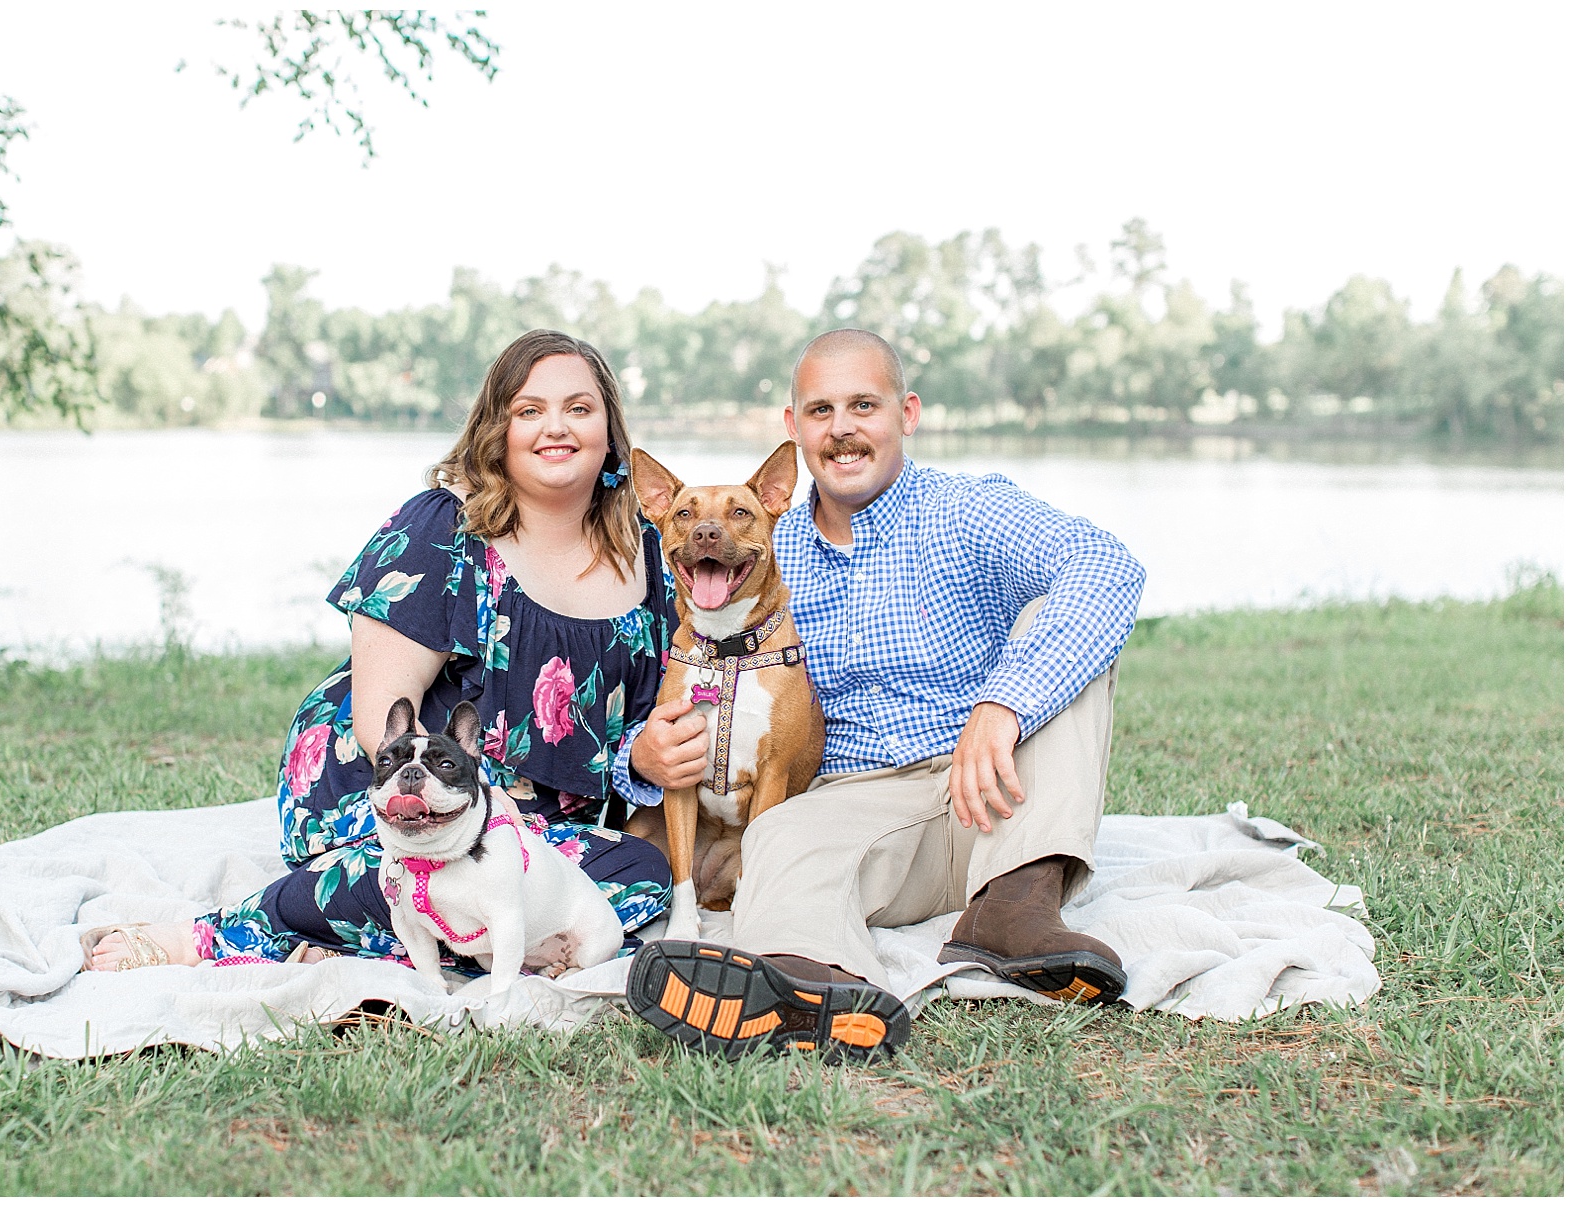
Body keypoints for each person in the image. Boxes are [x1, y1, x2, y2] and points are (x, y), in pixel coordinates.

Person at [618, 328, 1145, 1061]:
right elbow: (677, 680)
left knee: (1063, 628)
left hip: (995, 788)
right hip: (861, 808)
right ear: (794, 428)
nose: (841, 428)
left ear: (907, 413)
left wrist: (1004, 704)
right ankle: (808, 983)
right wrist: (641, 755)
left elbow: (1108, 566)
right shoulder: (755, 548)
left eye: (863, 404)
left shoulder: (968, 510)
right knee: (779, 836)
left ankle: (1017, 908)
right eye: (821, 409)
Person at [85, 330, 676, 972]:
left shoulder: (649, 554)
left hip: (536, 835)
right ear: (496, 432)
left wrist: (644, 758)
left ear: (610, 431)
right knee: (423, 869)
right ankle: (221, 936)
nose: (556, 427)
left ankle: (413, 941)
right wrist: (459, 819)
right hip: (408, 787)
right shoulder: (445, 531)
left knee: (643, 873)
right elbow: (381, 719)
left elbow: (630, 730)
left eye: (579, 409)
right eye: (529, 410)